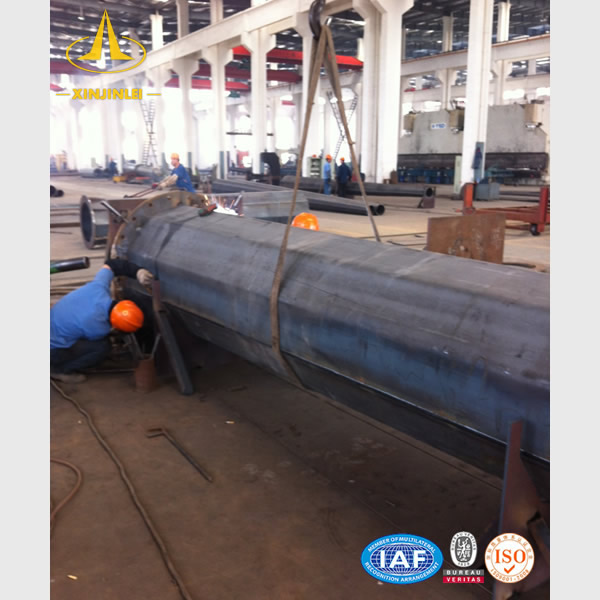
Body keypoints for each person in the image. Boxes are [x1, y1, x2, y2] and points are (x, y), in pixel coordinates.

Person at [50, 259, 154, 383]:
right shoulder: (98, 327)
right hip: (52, 350)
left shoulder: (99, 287)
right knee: (102, 347)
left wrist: (138, 272)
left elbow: (111, 264)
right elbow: (99, 336)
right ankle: (59, 370)